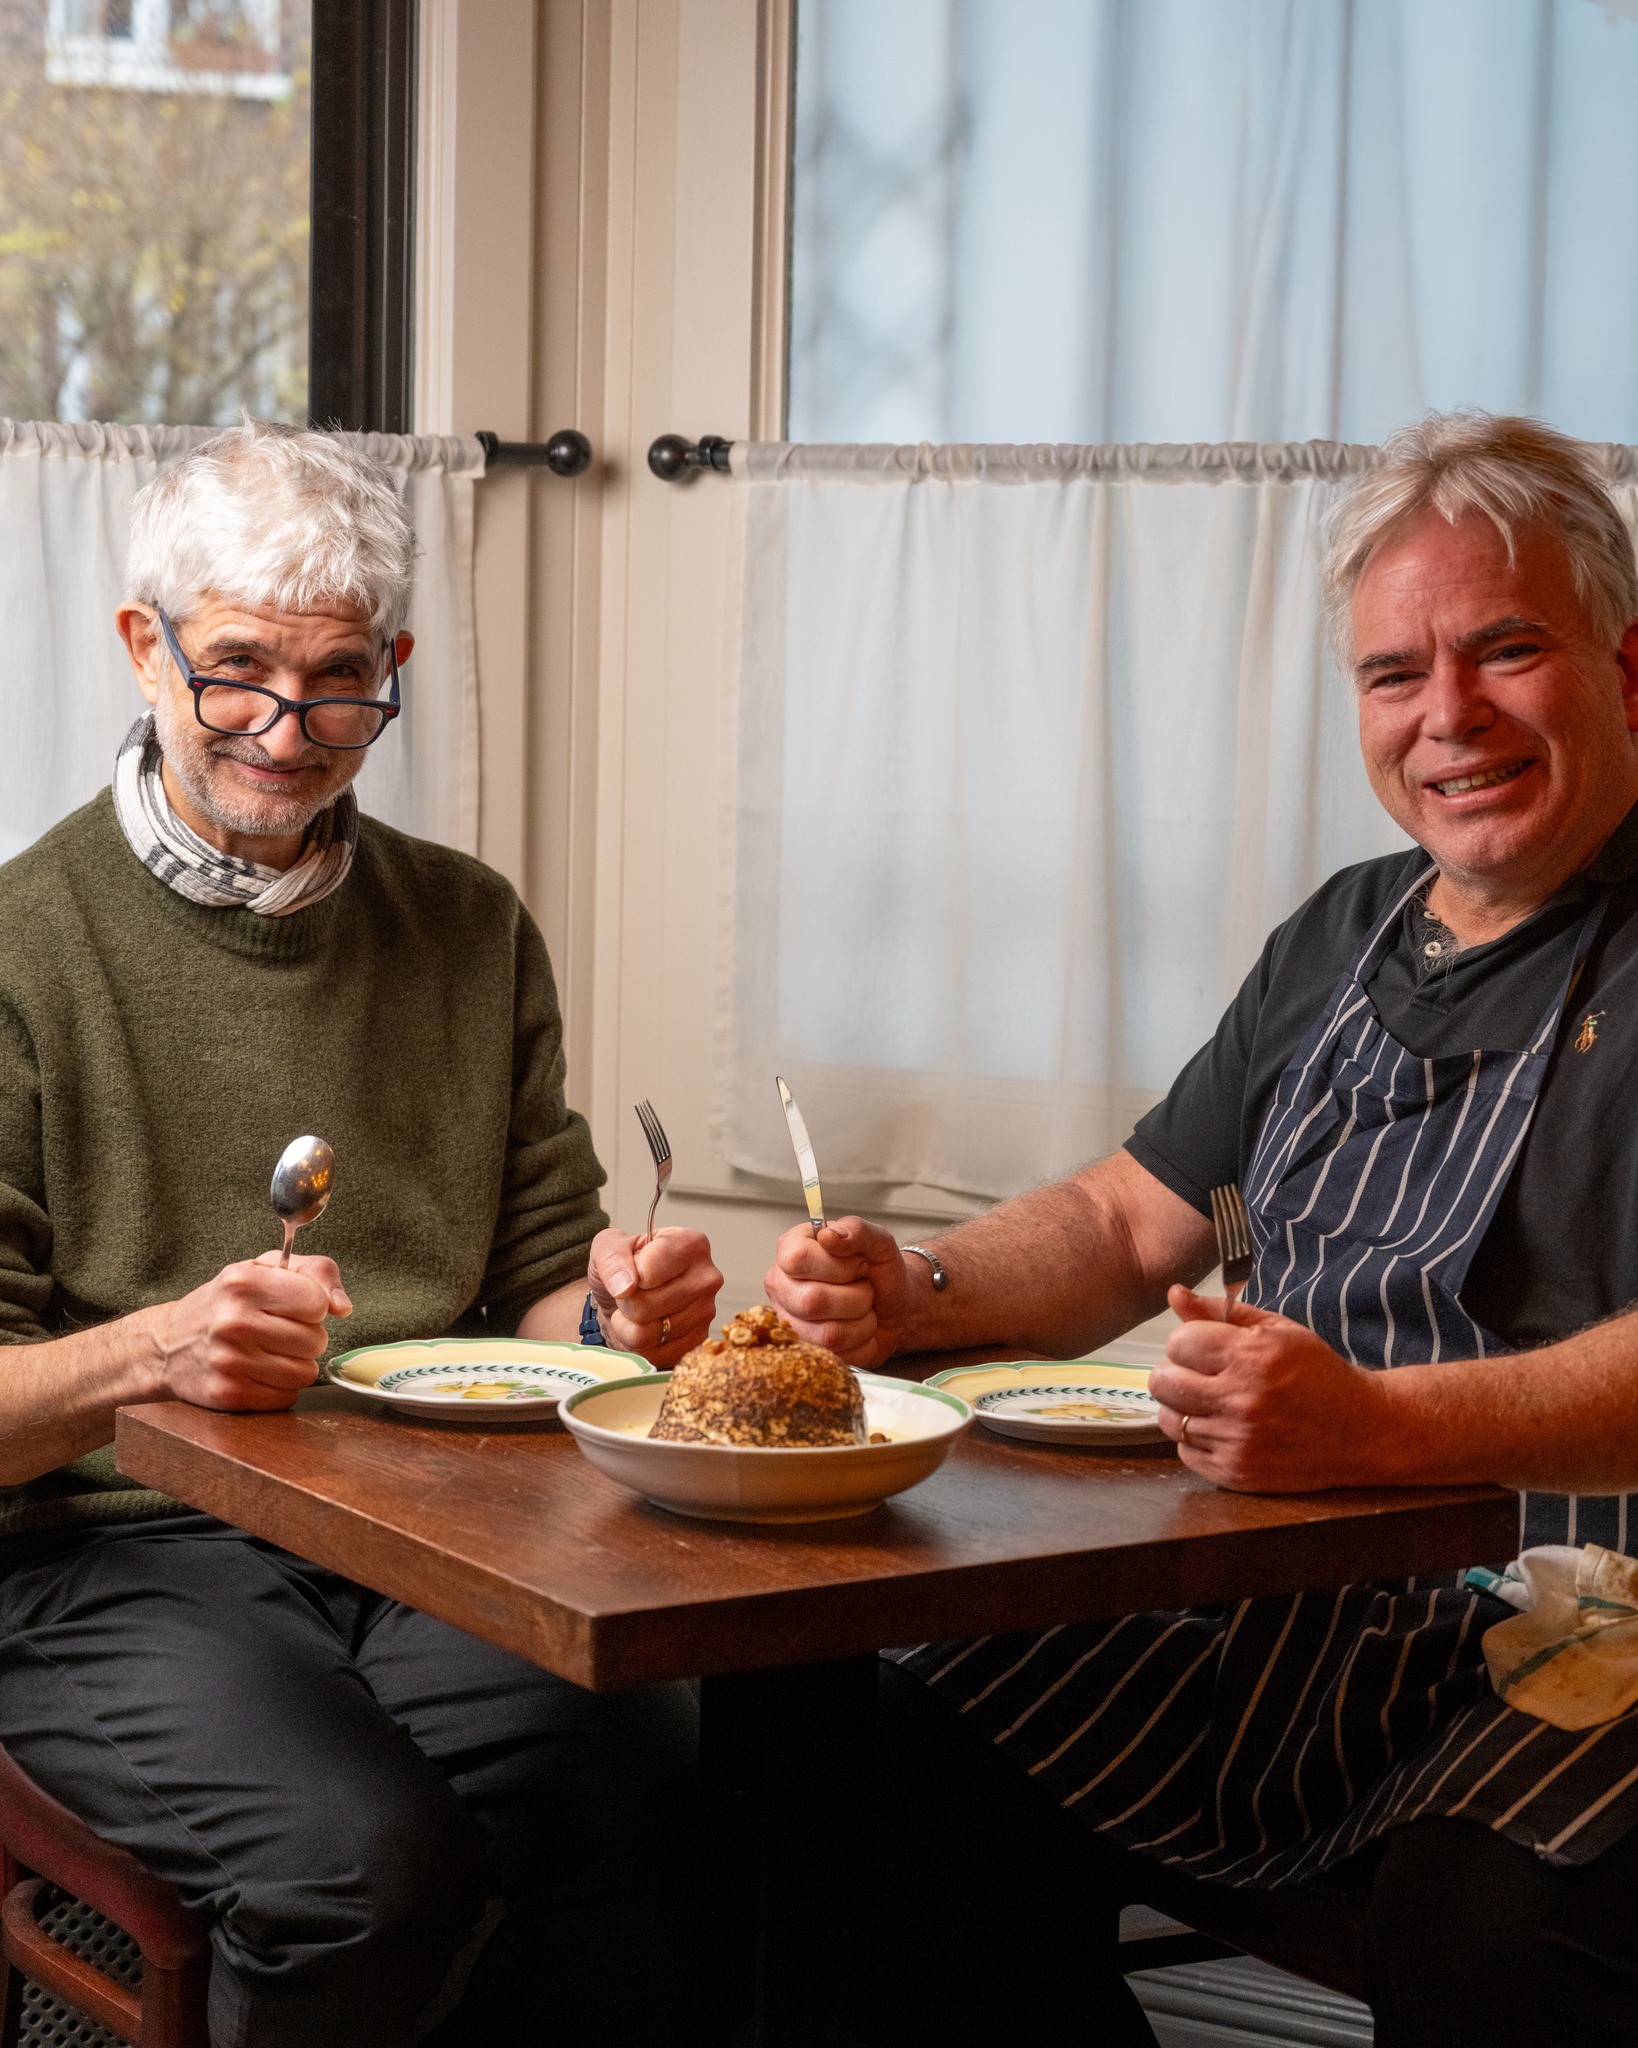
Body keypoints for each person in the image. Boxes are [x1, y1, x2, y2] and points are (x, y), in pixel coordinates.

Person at [768, 412, 1638, 2048]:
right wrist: (919, 1289)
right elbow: (1120, 1218)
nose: (1445, 716)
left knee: (1490, 1920)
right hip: (1322, 1609)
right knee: (885, 1734)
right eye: (1393, 675)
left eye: (1503, 650)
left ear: (1624, 660)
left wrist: (1378, 1426)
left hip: (1591, 1631)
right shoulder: (1344, 931)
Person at [0, 421, 721, 2048]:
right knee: (360, 1869)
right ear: (143, 646)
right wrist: (155, 1352)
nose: (285, 726)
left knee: (658, 1791)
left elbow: (539, 1281)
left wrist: (613, 1317)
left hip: (426, 1526)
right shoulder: (20, 951)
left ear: (394, 665)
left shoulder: (467, 925)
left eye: (338, 680)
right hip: (107, 1551)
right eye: (237, 668)